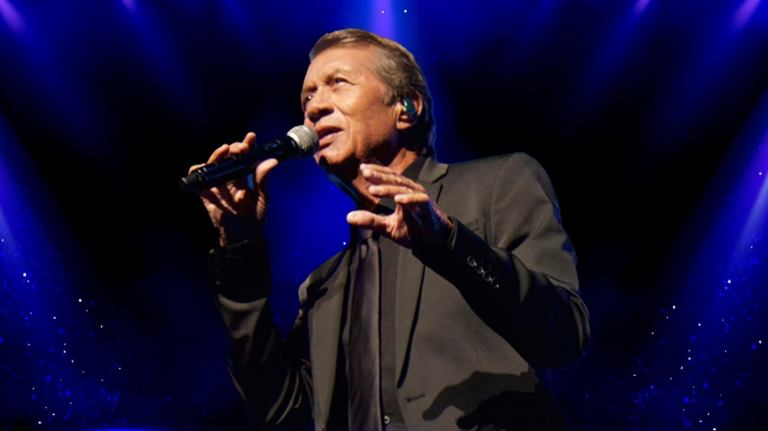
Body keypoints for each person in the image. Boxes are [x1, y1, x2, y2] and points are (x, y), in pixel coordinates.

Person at [189, 28, 590, 431]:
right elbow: (280, 412)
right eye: (307, 99)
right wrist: (240, 248)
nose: (314, 108)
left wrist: (448, 242)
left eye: (337, 83)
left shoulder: (499, 184)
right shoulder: (324, 284)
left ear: (407, 108)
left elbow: (564, 335)